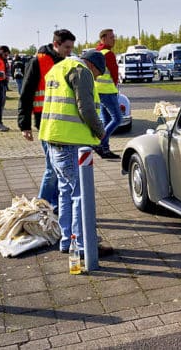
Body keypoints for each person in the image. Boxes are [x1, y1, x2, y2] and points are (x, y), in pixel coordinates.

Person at [38, 50, 111, 256]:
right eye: (97, 74)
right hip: (71, 141)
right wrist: (101, 132)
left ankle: (66, 241)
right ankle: (83, 245)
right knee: (81, 195)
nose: (95, 78)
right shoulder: (81, 71)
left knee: (65, 193)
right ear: (93, 66)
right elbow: (86, 107)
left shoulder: (57, 68)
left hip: (53, 138)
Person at [18, 29, 76, 213]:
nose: (70, 51)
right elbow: (26, 94)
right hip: (45, 121)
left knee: (57, 167)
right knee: (52, 168)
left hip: (64, 123)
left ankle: (54, 205)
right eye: (67, 47)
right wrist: (24, 125)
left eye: (71, 47)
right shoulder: (38, 61)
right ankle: (41, 207)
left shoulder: (67, 61)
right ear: (56, 44)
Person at [94, 29, 122, 159]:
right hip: (108, 91)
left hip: (98, 91)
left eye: (114, 37)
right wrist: (115, 85)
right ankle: (99, 143)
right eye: (111, 37)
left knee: (106, 120)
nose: (114, 39)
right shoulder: (108, 54)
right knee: (117, 119)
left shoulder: (96, 52)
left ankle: (105, 149)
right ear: (103, 39)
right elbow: (114, 74)